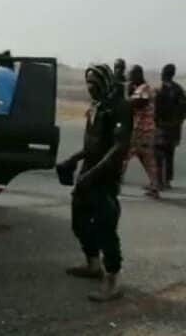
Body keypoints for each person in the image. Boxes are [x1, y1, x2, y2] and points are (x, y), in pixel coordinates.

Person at [56, 64, 132, 302]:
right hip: (88, 174)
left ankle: (113, 281)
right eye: (88, 84)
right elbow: (92, 145)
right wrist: (72, 160)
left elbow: (118, 148)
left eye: (94, 84)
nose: (90, 89)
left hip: (105, 178)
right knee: (79, 222)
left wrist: (92, 174)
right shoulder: (96, 105)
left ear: (105, 82)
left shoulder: (120, 107)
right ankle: (92, 265)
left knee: (105, 227)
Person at [124, 65, 160, 197]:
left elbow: (140, 102)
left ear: (138, 75)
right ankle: (154, 186)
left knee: (124, 156)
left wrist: (127, 100)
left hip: (141, 130)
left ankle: (115, 184)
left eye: (131, 74)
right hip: (144, 130)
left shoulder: (144, 89)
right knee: (147, 159)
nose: (129, 76)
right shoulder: (139, 88)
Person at [155, 64, 186, 189]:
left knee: (158, 154)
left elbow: (156, 109)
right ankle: (167, 180)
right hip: (174, 128)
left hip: (162, 127)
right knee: (169, 155)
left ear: (164, 74)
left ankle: (159, 181)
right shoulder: (179, 90)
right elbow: (184, 110)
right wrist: (178, 122)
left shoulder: (160, 89)